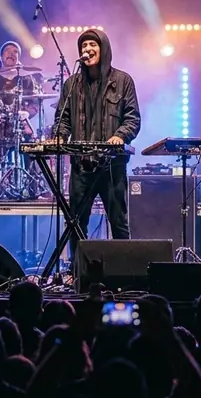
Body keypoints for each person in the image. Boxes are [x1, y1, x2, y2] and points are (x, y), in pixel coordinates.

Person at [53, 29, 141, 260]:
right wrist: (59, 137)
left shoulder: (122, 81)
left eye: (92, 44)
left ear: (104, 49)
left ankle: (126, 273)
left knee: (118, 223)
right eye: (83, 46)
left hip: (112, 167)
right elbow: (62, 119)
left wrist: (120, 135)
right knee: (76, 223)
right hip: (82, 166)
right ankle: (77, 273)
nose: (87, 49)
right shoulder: (72, 84)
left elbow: (133, 118)